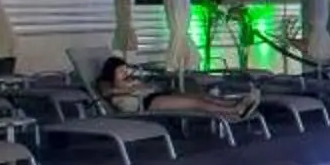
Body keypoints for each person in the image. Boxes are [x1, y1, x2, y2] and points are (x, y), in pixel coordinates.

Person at [95, 56, 260, 124]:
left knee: (202, 96)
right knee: (196, 103)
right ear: (111, 72)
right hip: (146, 103)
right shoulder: (106, 83)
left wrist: (139, 85)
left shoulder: (128, 80)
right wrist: (132, 90)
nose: (126, 73)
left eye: (126, 70)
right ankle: (234, 110)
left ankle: (239, 102)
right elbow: (107, 93)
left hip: (154, 95)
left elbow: (148, 86)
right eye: (121, 71)